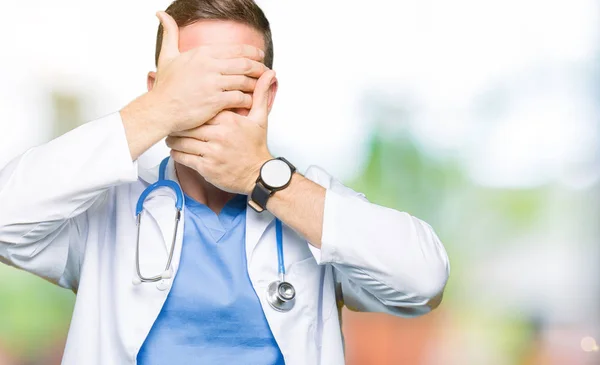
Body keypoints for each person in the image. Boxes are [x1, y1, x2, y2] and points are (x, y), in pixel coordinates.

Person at [0, 0, 450, 364]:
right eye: (194, 85)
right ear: (159, 90)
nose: (212, 104)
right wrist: (157, 112)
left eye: (236, 83)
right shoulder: (105, 210)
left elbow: (422, 281)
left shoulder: (309, 199)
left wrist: (266, 180)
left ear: (268, 95)